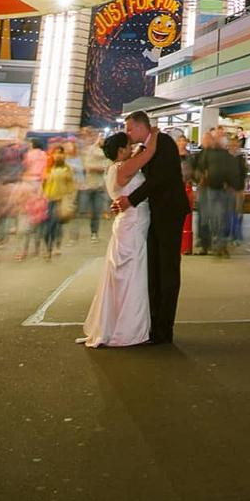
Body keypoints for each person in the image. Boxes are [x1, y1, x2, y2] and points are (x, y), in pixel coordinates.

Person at [111, 110, 191, 342]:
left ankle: (164, 328)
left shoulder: (163, 143)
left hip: (169, 213)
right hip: (154, 215)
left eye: (129, 128)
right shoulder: (146, 148)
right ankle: (153, 323)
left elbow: (159, 179)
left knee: (167, 270)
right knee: (154, 269)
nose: (127, 133)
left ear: (140, 126)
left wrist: (130, 200)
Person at [82, 132, 158, 348]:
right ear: (121, 150)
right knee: (132, 274)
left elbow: (139, 154)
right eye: (128, 145)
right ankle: (129, 329)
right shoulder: (124, 168)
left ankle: (118, 325)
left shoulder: (115, 168)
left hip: (128, 222)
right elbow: (149, 152)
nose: (131, 147)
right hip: (132, 224)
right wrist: (154, 132)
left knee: (123, 274)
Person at [196, 128, 237, 257]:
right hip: (211, 189)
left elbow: (232, 170)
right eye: (217, 137)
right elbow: (200, 169)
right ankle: (215, 245)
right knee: (214, 218)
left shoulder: (225, 155)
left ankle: (220, 245)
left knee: (221, 218)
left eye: (221, 137)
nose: (219, 139)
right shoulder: (207, 153)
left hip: (222, 190)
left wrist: (231, 184)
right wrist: (202, 179)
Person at [42, 148, 76, 258]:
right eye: (56, 153)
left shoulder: (67, 169)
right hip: (48, 200)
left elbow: (71, 186)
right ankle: (48, 248)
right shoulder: (48, 167)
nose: (58, 155)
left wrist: (70, 199)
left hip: (61, 200)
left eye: (61, 153)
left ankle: (55, 247)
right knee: (49, 227)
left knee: (55, 225)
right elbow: (43, 183)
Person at [79, 135, 109, 240]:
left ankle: (94, 232)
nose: (102, 141)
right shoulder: (91, 151)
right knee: (82, 210)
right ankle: (77, 233)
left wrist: (97, 168)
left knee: (96, 211)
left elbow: (106, 168)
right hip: (88, 186)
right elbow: (88, 167)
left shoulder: (105, 154)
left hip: (99, 187)